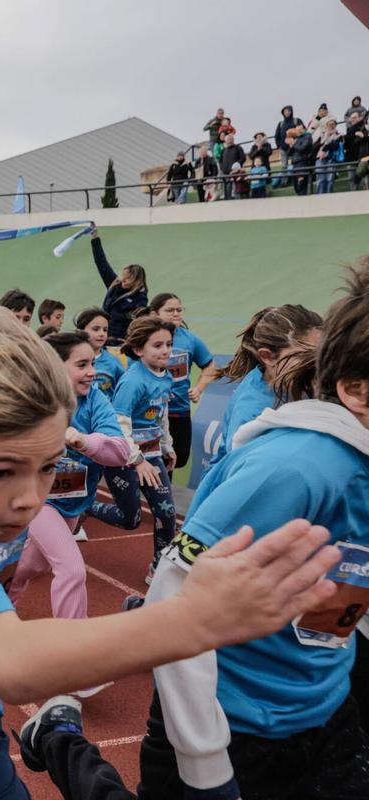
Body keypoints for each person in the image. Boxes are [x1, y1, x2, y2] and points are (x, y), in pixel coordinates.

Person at [0, 304, 342, 800]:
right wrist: (196, 620)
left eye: (46, 466)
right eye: (1, 471)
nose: (28, 499)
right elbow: (14, 665)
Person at [137, 260, 369, 800]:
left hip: (324, 711)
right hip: (236, 726)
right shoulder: (294, 469)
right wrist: (205, 767)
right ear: (356, 389)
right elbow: (171, 596)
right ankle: (59, 737)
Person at [8, 331, 128, 624]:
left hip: (73, 501)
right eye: (82, 364)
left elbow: (121, 453)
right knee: (71, 568)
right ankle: (75, 644)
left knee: (29, 566)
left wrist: (84, 442)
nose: (92, 372)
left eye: (93, 363)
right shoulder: (32, 401)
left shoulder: (95, 400)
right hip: (36, 499)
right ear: (55, 366)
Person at [88, 317, 177, 582]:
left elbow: (161, 414)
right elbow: (118, 424)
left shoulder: (167, 376)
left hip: (150, 456)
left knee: (167, 512)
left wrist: (166, 445)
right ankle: (87, 506)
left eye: (169, 344)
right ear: (139, 350)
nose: (165, 351)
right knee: (131, 520)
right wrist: (136, 459)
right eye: (157, 345)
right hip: (122, 457)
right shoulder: (132, 382)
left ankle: (158, 567)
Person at [206, 304, 323, 469]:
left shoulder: (286, 378)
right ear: (267, 357)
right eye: (305, 355)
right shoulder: (251, 414)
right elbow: (248, 479)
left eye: (322, 353)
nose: (318, 364)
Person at [150, 292, 219, 475]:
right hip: (152, 413)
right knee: (159, 461)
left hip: (180, 410)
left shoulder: (190, 339)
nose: (176, 314)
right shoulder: (145, 339)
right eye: (169, 310)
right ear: (155, 313)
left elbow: (210, 367)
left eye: (179, 310)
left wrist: (199, 388)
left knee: (178, 459)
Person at [88, 226, 148, 345]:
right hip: (104, 337)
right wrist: (95, 238)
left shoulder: (140, 299)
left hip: (122, 342)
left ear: (138, 281)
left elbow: (138, 325)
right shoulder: (115, 285)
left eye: (129, 278)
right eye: (123, 275)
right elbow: (101, 263)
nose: (123, 280)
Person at [75, 306, 124, 400]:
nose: (102, 334)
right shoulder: (71, 359)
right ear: (81, 330)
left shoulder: (113, 362)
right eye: (96, 329)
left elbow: (122, 392)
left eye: (105, 330)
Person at [273, 105, 304, 189]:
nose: (287, 112)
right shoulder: (280, 123)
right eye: (285, 111)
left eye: (289, 111)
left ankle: (297, 180)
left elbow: (302, 130)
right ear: (283, 113)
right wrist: (278, 145)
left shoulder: (296, 120)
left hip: (295, 147)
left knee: (295, 164)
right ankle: (284, 182)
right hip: (283, 148)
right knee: (284, 166)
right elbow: (277, 136)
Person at [219, 133, 246, 200]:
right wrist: (222, 168)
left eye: (231, 139)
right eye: (228, 139)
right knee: (227, 191)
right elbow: (220, 161)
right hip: (226, 174)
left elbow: (243, 158)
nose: (230, 140)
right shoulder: (223, 150)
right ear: (225, 140)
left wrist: (236, 166)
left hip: (236, 174)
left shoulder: (238, 148)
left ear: (233, 140)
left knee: (236, 192)